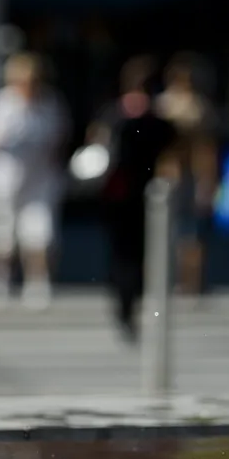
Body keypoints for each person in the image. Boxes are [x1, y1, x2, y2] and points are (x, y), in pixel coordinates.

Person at [89, 57, 178, 342]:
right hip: (149, 196)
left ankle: (123, 303)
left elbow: (96, 143)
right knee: (142, 253)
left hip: (117, 192)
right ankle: (133, 300)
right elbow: (171, 155)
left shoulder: (113, 114)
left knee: (121, 252)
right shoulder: (158, 119)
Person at [0, 53, 69, 311]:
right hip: (4, 181)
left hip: (39, 182)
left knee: (39, 235)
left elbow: (59, 141)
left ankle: (37, 282)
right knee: (1, 235)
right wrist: (3, 137)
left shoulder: (49, 105)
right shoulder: (0, 104)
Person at [155, 52, 218, 296]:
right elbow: (207, 149)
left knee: (170, 229)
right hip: (190, 171)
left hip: (171, 171)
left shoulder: (163, 105)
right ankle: (190, 282)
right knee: (190, 231)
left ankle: (170, 279)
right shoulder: (199, 106)